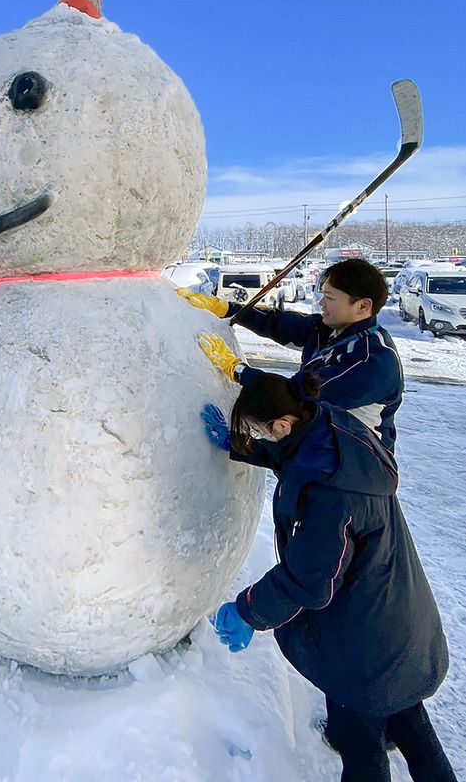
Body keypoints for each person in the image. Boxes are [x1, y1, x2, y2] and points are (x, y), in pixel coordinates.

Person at [199, 364, 456, 782]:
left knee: (362, 749)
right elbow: (296, 459)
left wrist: (248, 611)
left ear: (282, 424)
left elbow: (311, 579)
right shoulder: (330, 427)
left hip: (363, 644)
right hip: (397, 618)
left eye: (260, 432)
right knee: (407, 716)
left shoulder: (328, 493)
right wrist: (242, 445)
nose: (259, 439)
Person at [179, 258, 403, 451]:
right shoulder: (328, 330)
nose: (321, 303)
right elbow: (276, 323)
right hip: (316, 453)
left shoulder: (372, 361)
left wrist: (236, 369)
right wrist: (226, 308)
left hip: (356, 469)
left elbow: (296, 397)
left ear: (363, 306)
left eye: (330, 298)